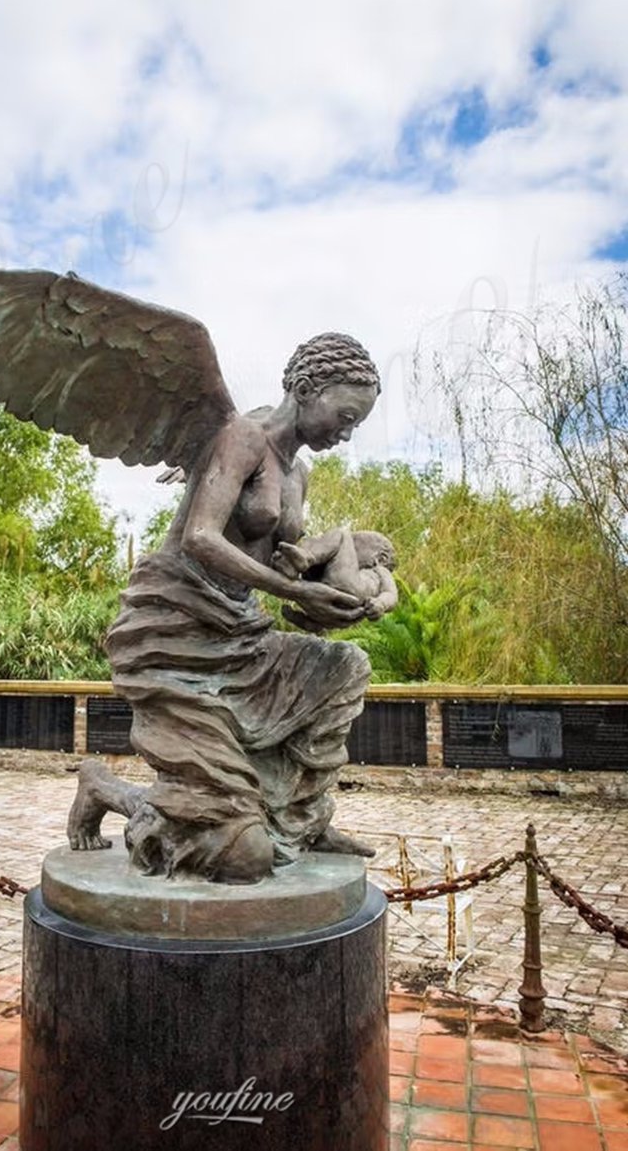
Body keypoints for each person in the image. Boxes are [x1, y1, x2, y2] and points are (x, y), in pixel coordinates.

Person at [71, 332, 383, 883]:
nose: (347, 431)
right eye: (346, 413)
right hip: (175, 628)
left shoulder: (298, 474)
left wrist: (322, 599)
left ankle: (300, 819)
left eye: (357, 422)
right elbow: (201, 538)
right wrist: (293, 592)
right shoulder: (241, 437)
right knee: (243, 858)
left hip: (240, 631)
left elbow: (275, 567)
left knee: (344, 669)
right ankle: (108, 790)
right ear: (307, 389)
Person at [273, 528, 398, 629]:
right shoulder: (348, 570)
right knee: (314, 544)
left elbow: (391, 594)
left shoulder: (380, 571)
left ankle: (306, 556)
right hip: (331, 604)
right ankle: (291, 567)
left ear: (381, 558)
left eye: (355, 547)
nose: (350, 551)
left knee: (342, 535)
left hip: (353, 591)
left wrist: (381, 604)